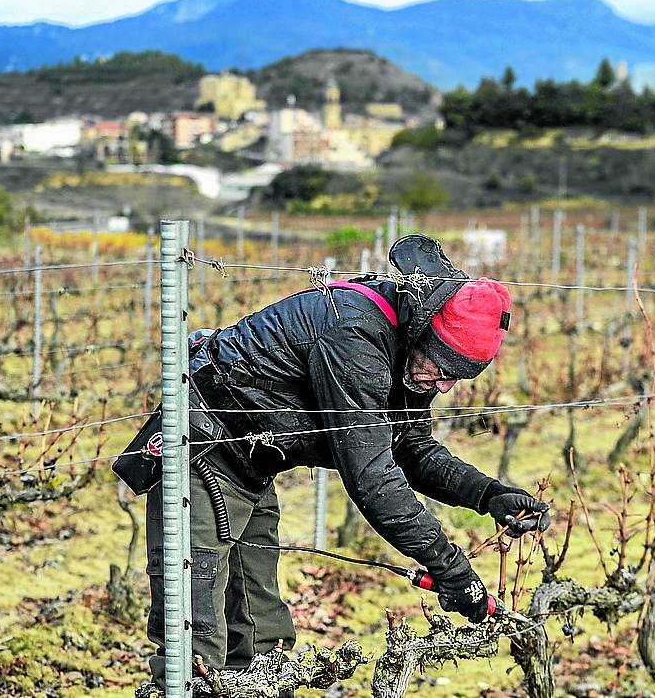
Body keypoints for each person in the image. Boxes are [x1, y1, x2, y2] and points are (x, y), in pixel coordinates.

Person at [124, 235, 550, 689]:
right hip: (203, 454)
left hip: (253, 466)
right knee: (194, 645)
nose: (443, 386)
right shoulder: (354, 336)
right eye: (442, 370)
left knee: (262, 637)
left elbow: (412, 449)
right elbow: (372, 479)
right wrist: (449, 566)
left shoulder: (405, 349)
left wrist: (488, 495)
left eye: (455, 378)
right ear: (426, 331)